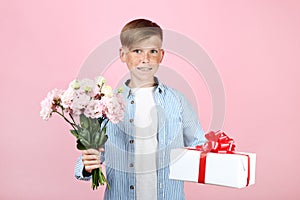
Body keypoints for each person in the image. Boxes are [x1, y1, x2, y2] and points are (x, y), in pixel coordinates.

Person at [74, 18, 206, 200]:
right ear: (123, 54)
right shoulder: (106, 105)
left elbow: (199, 144)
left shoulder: (178, 101)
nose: (145, 59)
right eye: (137, 51)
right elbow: (93, 154)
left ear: (161, 55)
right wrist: (87, 165)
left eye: (152, 51)